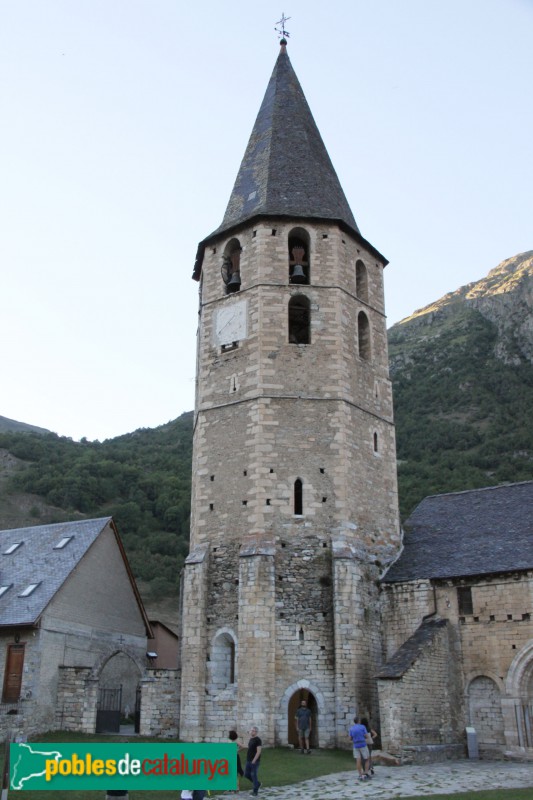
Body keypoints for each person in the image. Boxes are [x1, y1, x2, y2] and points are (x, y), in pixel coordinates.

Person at [349, 716, 370, 781]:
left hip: (356, 745)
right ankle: (366, 772)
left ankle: (360, 774)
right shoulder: (362, 727)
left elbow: (350, 738)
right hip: (363, 744)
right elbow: (366, 736)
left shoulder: (351, 729)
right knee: (366, 758)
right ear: (359, 721)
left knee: (358, 760)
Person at [244, 725, 262, 796]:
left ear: (256, 732)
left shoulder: (258, 740)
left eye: (253, 731)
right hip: (248, 760)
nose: (252, 731)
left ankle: (255, 791)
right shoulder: (251, 739)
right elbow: (249, 747)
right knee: (246, 774)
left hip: (254, 761)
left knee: (253, 775)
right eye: (251, 730)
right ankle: (257, 784)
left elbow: (259, 751)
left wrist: (254, 760)